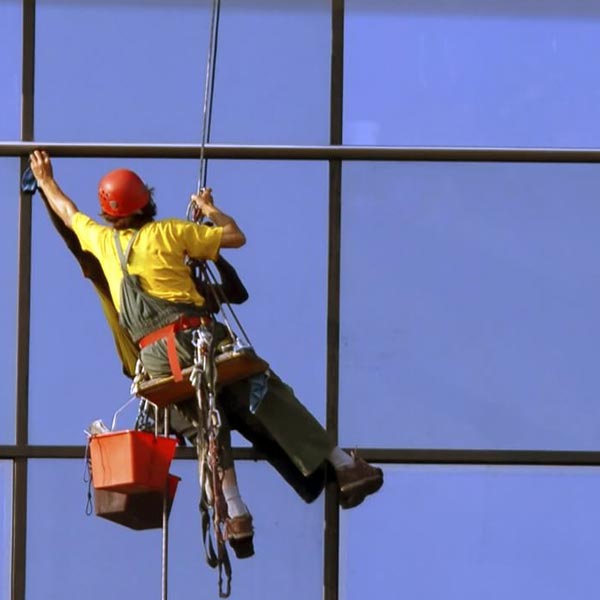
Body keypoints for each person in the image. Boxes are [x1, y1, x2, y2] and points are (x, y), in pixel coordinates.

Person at [28, 150, 384, 553]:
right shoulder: (170, 233)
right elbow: (235, 237)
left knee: (203, 427)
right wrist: (211, 210)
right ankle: (343, 466)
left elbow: (68, 212)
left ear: (111, 214)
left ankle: (235, 512)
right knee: (265, 394)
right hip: (196, 340)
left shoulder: (102, 241)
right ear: (146, 202)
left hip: (157, 361)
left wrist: (46, 180)